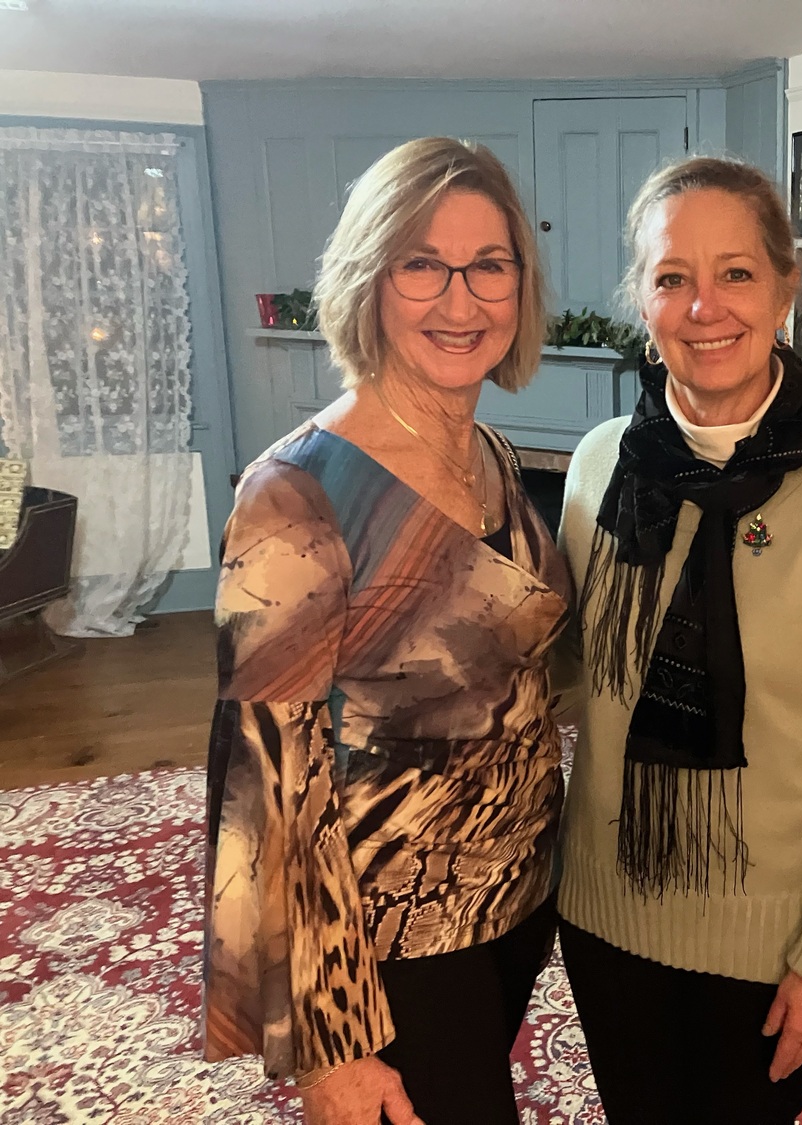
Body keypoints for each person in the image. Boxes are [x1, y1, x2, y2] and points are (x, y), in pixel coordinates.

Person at [202, 137, 573, 1125]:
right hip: (391, 937)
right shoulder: (297, 493)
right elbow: (265, 782)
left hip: (515, 897)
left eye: (489, 265)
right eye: (422, 264)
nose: (462, 301)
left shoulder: (491, 452)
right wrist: (331, 1044)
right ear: (369, 279)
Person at [554, 155, 802, 1125]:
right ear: (643, 299)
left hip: (767, 944)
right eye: (672, 277)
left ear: (787, 290)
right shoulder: (598, 467)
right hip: (603, 911)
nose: (704, 306)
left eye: (737, 273)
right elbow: (564, 674)